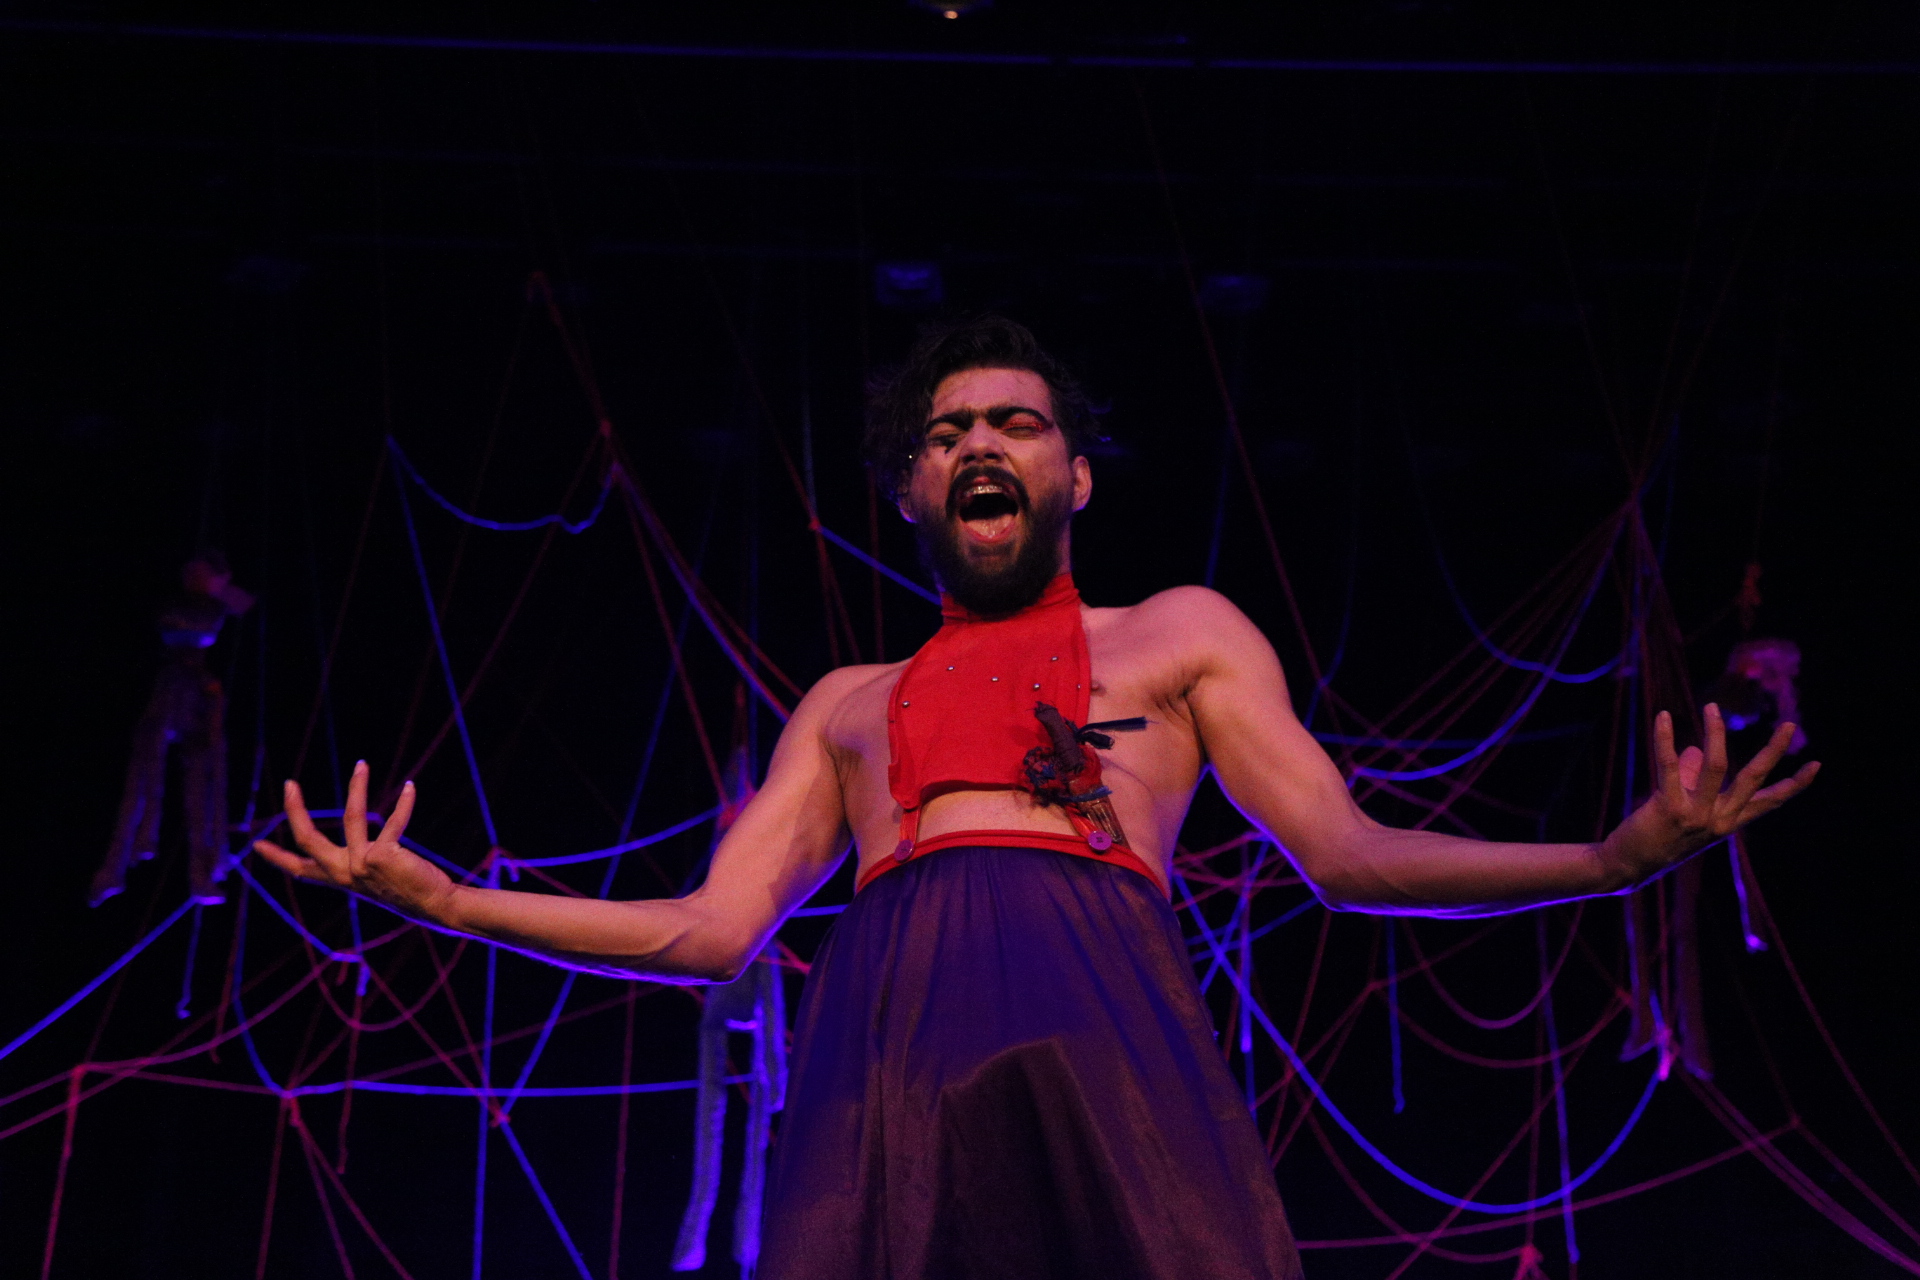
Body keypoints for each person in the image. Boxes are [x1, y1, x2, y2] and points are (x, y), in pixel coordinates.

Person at [254, 316, 1818, 1280]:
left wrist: (1610, 856)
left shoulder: (1180, 635)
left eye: (1015, 422)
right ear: (912, 494)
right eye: (947, 434)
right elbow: (709, 933)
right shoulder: (847, 704)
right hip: (891, 1059)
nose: (979, 443)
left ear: (1075, 476)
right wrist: (447, 899)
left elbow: (1347, 854)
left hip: (1101, 1029)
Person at [94, 550, 255, 907]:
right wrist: (217, 588)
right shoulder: (179, 606)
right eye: (190, 572)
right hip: (174, 691)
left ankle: (201, 875)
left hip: (196, 696)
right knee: (143, 780)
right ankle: (116, 866)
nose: (192, 577)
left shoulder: (209, 605)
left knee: (203, 788)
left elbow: (241, 607)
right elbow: (189, 621)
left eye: (200, 572)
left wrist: (221, 586)